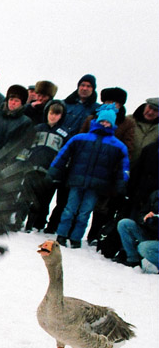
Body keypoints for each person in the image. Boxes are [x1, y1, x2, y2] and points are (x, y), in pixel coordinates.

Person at [50, 105, 130, 249]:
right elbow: (63, 155)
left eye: (108, 122)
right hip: (77, 180)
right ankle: (62, 234)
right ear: (97, 120)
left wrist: (121, 183)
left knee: (85, 213)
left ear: (113, 124)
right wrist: (54, 169)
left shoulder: (118, 146)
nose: (104, 124)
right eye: (102, 121)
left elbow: (123, 167)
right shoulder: (80, 139)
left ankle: (76, 238)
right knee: (69, 209)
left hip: (97, 186)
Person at [44, 74, 100, 233]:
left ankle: (54, 225)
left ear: (93, 89)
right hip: (58, 151)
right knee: (48, 188)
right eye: (82, 85)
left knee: (65, 195)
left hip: (78, 157)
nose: (84, 88)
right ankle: (38, 221)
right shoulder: (66, 104)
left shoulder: (95, 109)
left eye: (88, 86)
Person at [19, 99, 69, 232]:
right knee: (24, 197)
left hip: (48, 172)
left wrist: (58, 171)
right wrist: (22, 162)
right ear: (47, 113)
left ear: (61, 116)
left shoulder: (64, 134)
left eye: (57, 114)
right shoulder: (37, 128)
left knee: (40, 200)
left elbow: (65, 155)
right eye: (51, 113)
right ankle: (18, 221)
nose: (53, 116)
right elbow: (26, 146)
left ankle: (31, 225)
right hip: (31, 168)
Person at [0, 83, 32, 162]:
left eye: (16, 101)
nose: (13, 103)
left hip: (6, 161)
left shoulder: (25, 122)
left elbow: (22, 145)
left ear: (22, 103)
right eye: (11, 100)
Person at [117, 189, 158, 270]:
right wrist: (145, 218)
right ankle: (133, 260)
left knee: (143, 247)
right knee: (124, 223)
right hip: (150, 233)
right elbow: (141, 213)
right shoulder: (155, 194)